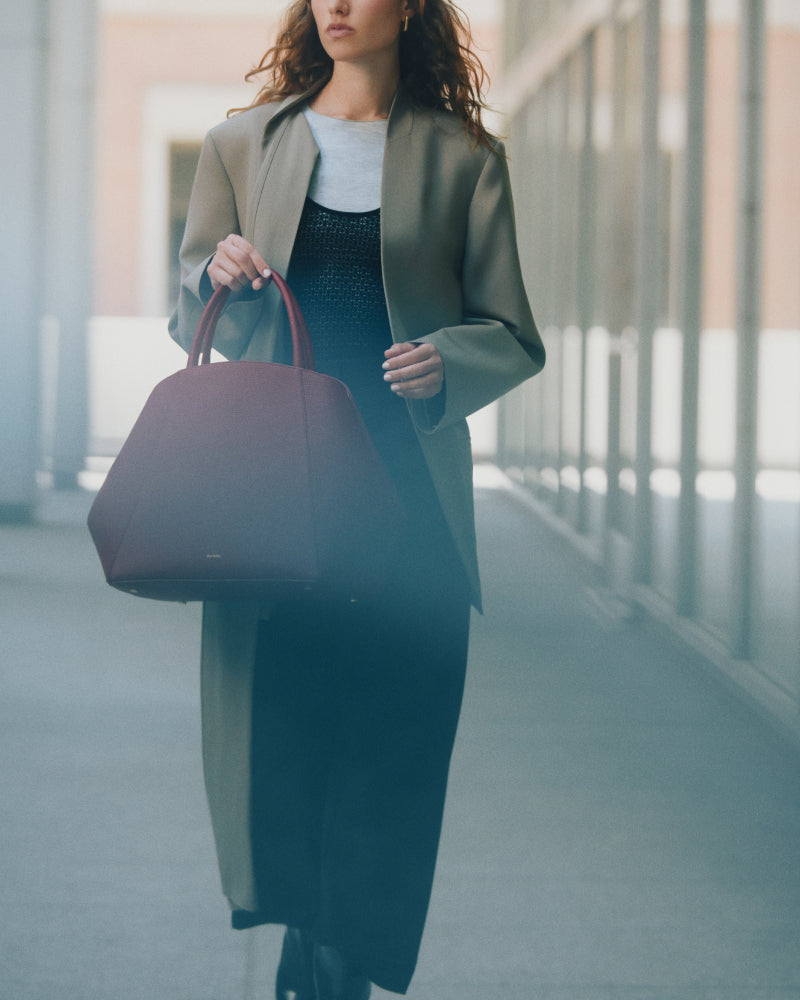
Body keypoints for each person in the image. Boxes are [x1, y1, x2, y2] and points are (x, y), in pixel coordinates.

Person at [169, 0, 545, 996]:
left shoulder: (466, 158)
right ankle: (311, 943)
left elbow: (510, 330)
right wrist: (220, 271)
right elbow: (187, 312)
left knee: (395, 744)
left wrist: (448, 360)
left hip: (408, 501)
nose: (334, 4)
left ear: (412, 5)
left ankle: (337, 959)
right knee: (283, 735)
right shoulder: (238, 145)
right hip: (277, 497)